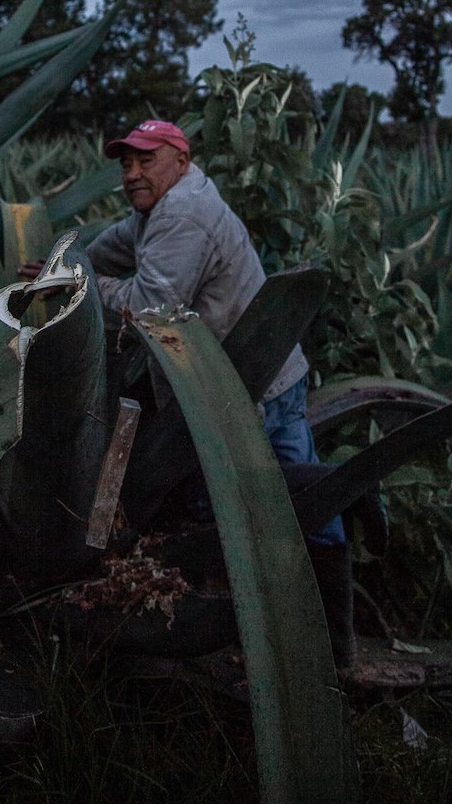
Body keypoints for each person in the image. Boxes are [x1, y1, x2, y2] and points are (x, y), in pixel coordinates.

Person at [88, 119, 343, 535]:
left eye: (146, 160)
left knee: (272, 502)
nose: (132, 173)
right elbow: (105, 250)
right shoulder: (158, 206)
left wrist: (83, 283)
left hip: (258, 386)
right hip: (255, 375)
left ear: (181, 160)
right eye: (127, 164)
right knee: (290, 504)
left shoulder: (183, 216)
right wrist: (64, 263)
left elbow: (148, 310)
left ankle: (331, 565)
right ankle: (322, 564)